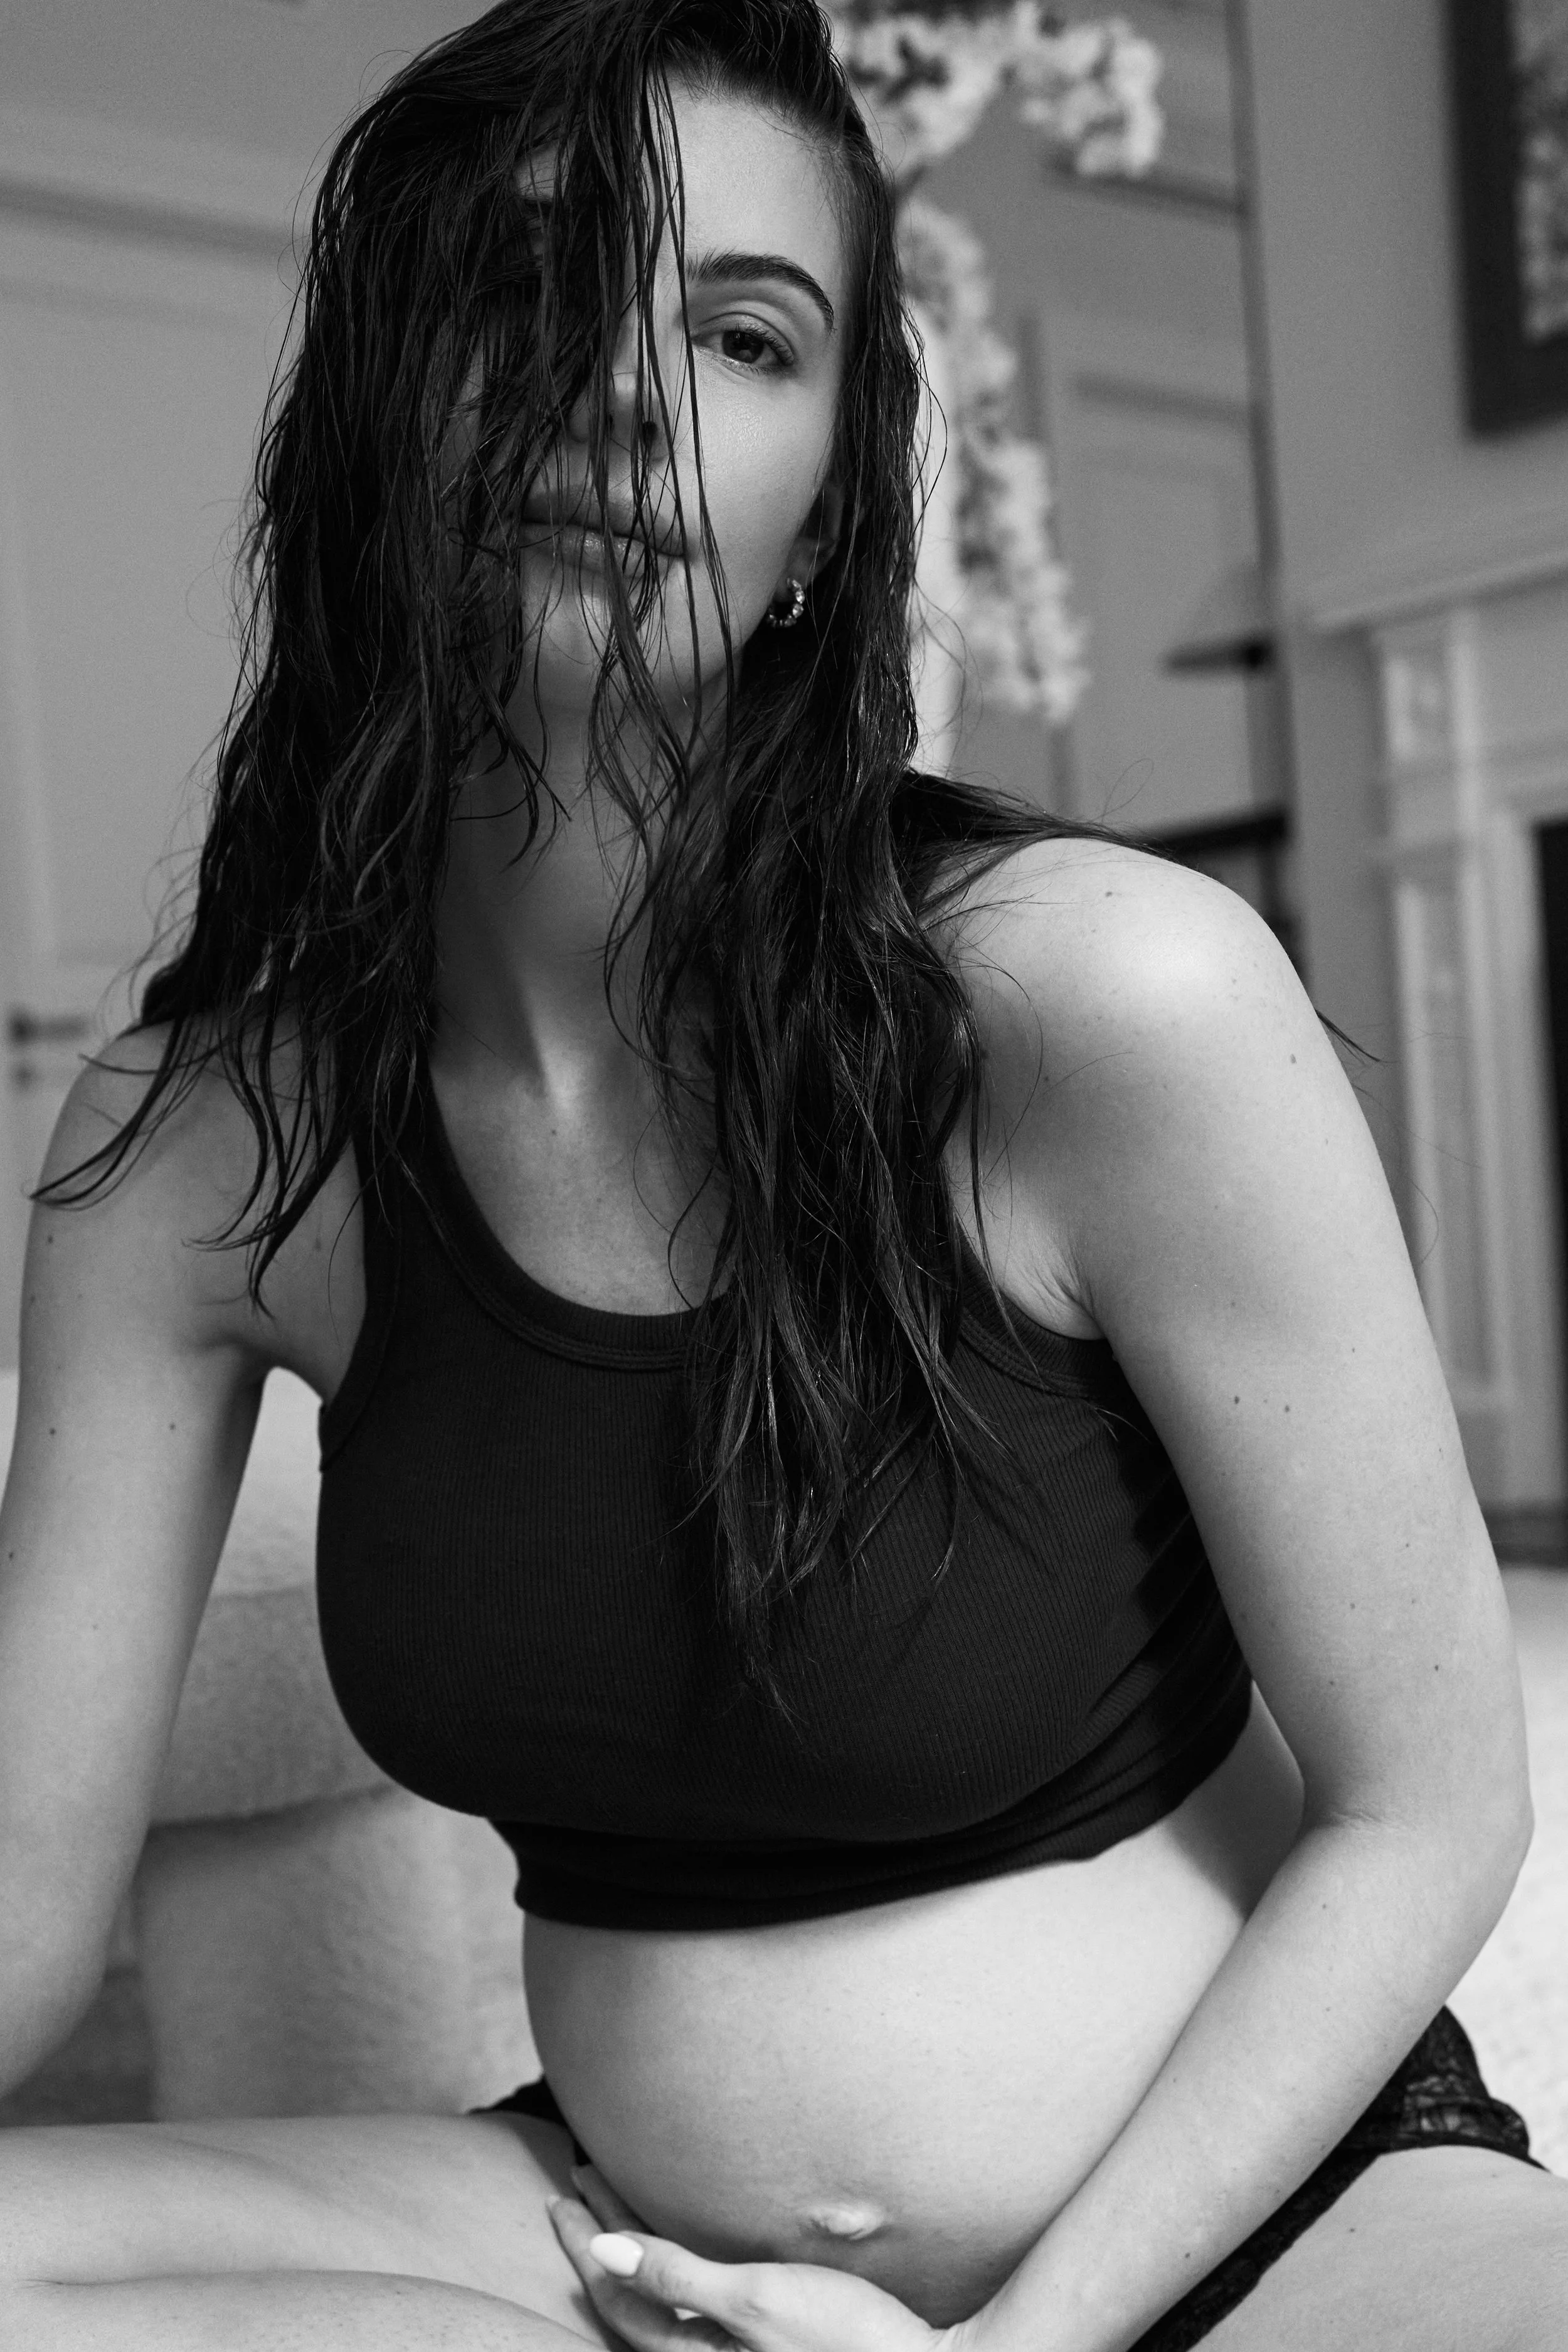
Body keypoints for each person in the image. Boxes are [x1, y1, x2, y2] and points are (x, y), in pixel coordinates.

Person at [0, 1, 1563, 2346]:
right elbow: (16, 1928)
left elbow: (1430, 1805)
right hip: (614, 2251)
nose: (627, 391)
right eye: (535, 296)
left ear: (829, 507)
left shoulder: (1097, 1002)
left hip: (1255, 2220)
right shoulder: (195, 1151)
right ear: (372, 418)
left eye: (742, 335)